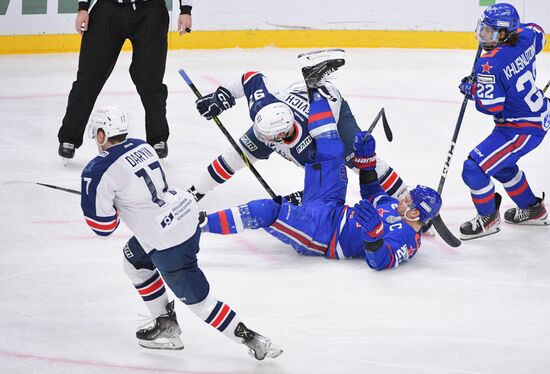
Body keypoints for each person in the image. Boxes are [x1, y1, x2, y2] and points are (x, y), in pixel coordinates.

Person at [80, 105, 282, 360]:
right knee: (134, 260)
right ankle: (165, 322)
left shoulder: (97, 170)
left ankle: (251, 338)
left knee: (201, 302)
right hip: (184, 214)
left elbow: (103, 227)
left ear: (101, 134)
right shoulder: (142, 145)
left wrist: (115, 207)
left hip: (167, 241)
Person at [198, 59, 442, 270]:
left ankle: (198, 225)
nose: (402, 198)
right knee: (331, 148)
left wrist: (374, 235)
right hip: (332, 206)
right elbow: (372, 192)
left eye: (407, 200)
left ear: (415, 213)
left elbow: (379, 261)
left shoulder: (407, 239)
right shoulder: (264, 110)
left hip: (322, 233)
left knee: (264, 210)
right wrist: (365, 160)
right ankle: (313, 85)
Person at [187, 49, 406, 204]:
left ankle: (406, 197)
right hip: (296, 97)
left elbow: (331, 181)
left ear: (281, 135)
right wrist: (222, 95)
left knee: (360, 161)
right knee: (236, 155)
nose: (263, 139)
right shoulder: (263, 109)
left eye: (269, 137)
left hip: (332, 114)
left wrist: (303, 197)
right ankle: (195, 192)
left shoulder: (310, 151)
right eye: (262, 132)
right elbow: (251, 78)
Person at [58, 0, 194, 161]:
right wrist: (83, 8)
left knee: (151, 80)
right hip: (107, 9)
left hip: (151, 11)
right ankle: (69, 137)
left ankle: (158, 138)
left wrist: (185, 9)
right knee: (89, 77)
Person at [458, 2, 549, 240]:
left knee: (474, 168)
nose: (483, 35)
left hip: (520, 127)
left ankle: (488, 218)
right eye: (483, 29)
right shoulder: (527, 37)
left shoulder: (490, 64)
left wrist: (473, 89)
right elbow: (539, 32)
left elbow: (490, 106)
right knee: (502, 166)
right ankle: (532, 209)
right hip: (536, 117)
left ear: (504, 33)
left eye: (489, 31)